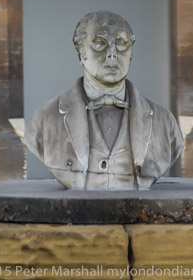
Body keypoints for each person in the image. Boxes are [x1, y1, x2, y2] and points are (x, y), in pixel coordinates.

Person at [25, 10, 184, 190]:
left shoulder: (164, 122)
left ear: (131, 51)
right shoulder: (44, 120)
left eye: (121, 43)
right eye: (100, 43)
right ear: (81, 51)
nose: (112, 54)